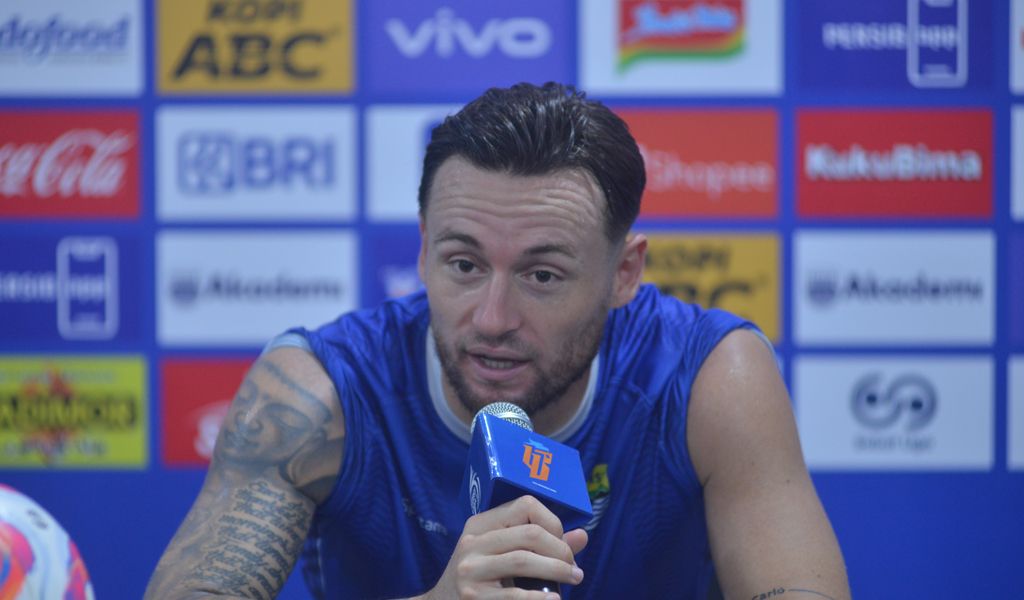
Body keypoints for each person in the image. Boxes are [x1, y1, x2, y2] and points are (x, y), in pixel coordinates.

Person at [146, 82, 849, 599]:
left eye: (542, 275)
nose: (491, 318)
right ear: (424, 250)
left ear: (623, 274)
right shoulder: (318, 391)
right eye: (464, 264)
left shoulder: (706, 378)